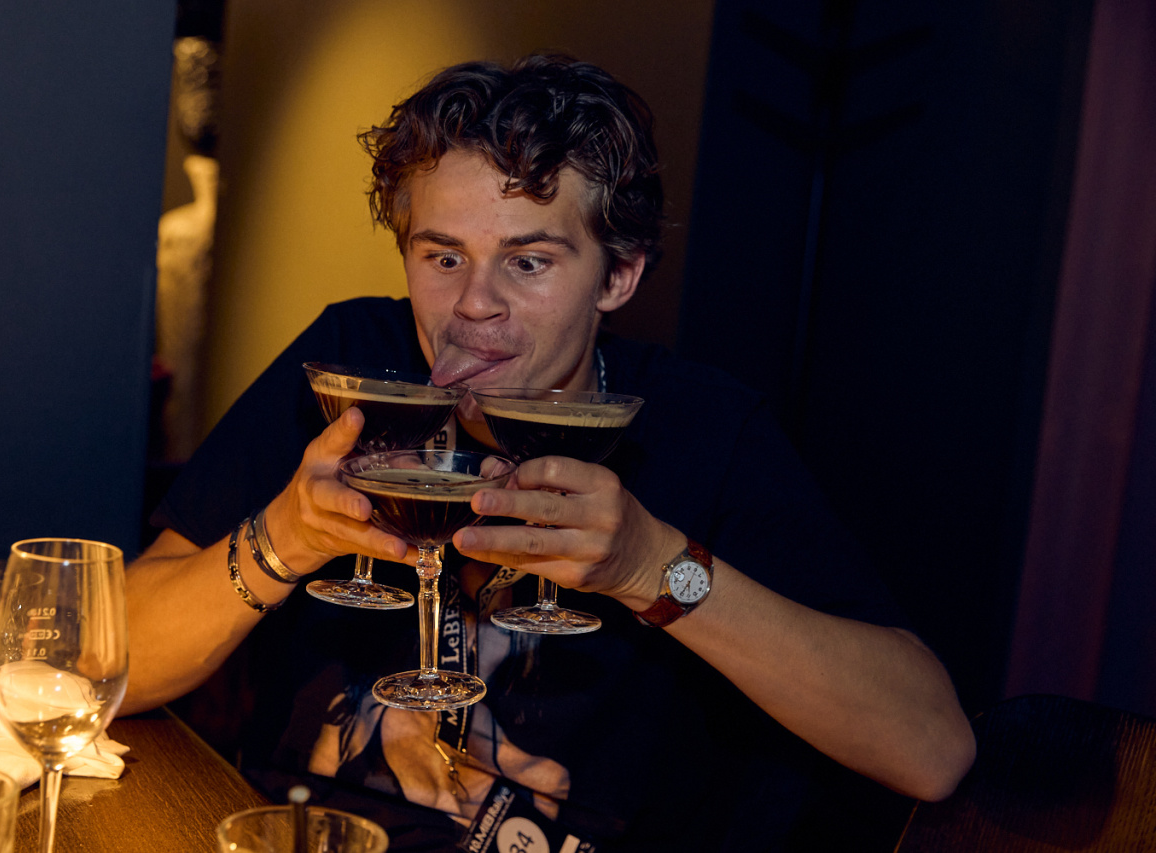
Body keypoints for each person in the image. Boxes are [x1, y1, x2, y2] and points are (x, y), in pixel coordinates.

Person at [124, 54, 975, 851]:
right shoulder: (353, 368)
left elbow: (933, 750)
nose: (474, 304)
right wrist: (282, 537)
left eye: (527, 261)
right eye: (444, 256)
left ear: (618, 276)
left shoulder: (702, 428)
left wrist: (655, 567)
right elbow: (114, 664)